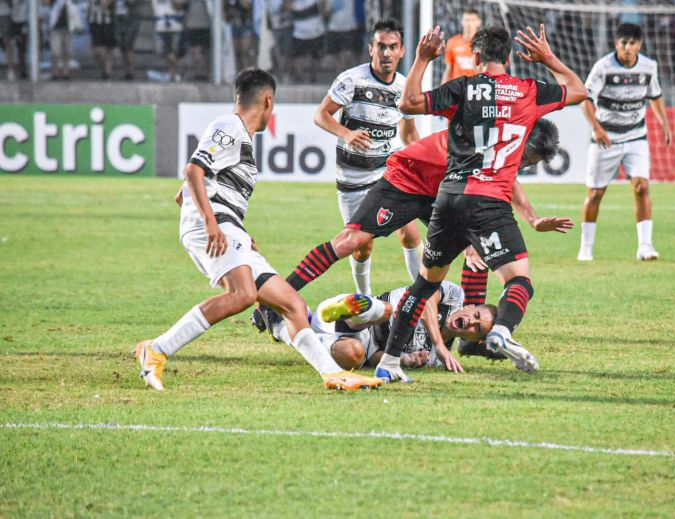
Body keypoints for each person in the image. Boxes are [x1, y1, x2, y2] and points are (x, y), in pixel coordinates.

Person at [136, 68, 383, 392]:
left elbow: (183, 194)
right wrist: (211, 224)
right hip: (214, 226)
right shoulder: (229, 127)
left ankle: (332, 373)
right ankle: (156, 349)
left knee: (292, 304)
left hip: (226, 227)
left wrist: (233, 229)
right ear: (268, 101)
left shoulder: (240, 139)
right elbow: (192, 170)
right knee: (243, 295)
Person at [373, 24, 586, 383]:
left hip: (448, 197)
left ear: (474, 57)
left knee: (425, 285)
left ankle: (389, 363)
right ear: (508, 58)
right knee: (519, 281)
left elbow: (407, 103)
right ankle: (501, 330)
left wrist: (423, 59)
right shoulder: (528, 91)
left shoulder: (463, 88)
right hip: (490, 202)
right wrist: (547, 57)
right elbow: (580, 90)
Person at [276, 119, 570, 299]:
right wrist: (468, 232)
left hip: (441, 192)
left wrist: (533, 219)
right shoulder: (480, 138)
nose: (522, 165)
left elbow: (508, 182)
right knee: (350, 242)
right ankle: (278, 298)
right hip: (405, 181)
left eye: (529, 164)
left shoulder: (506, 150)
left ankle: (469, 331)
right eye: (527, 158)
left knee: (479, 246)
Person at [307, 18, 420, 296]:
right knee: (362, 245)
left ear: (402, 51)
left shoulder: (405, 88)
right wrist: (345, 133)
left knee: (411, 232)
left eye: (393, 47)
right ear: (371, 49)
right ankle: (365, 299)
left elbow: (408, 135)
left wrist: (426, 161)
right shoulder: (351, 80)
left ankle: (422, 297)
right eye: (381, 46)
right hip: (353, 179)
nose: (386, 53)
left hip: (388, 174)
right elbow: (320, 115)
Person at [577, 23, 672, 262]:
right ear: (616, 44)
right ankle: (586, 248)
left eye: (632, 43)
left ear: (639, 44)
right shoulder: (603, 67)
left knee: (642, 187)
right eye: (623, 43)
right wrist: (597, 129)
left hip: (636, 136)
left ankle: (645, 246)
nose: (627, 48)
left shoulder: (649, 67)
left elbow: (655, 97)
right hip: (605, 138)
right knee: (596, 193)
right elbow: (585, 100)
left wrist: (664, 124)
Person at [260, 281, 496, 374]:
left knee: (354, 354)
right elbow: (424, 299)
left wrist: (405, 360)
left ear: (473, 339)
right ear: (471, 305)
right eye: (476, 315)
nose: (472, 321)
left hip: (358, 342)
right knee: (387, 311)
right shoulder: (454, 296)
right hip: (363, 316)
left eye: (477, 328)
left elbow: (375, 358)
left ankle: (283, 327)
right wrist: (439, 344)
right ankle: (335, 310)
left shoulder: (434, 359)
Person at [441, 7, 481, 84]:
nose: (469, 24)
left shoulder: (485, 44)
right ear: (462, 22)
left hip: (476, 88)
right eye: (466, 20)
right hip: (457, 89)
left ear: (478, 22)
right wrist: (442, 89)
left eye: (472, 20)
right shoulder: (452, 42)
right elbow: (449, 68)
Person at [290, 0, 327, 82]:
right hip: (299, 33)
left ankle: (314, 77)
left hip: (317, 31)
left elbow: (324, 9)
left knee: (316, 56)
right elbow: (286, 7)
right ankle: (299, 78)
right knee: (297, 57)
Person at [153, 0, 186, 81]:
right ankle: (179, 68)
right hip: (160, 26)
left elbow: (179, 6)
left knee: (173, 52)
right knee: (162, 51)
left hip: (174, 26)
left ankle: (173, 74)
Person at [183, 0, 211, 81]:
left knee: (204, 51)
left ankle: (204, 72)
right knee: (195, 51)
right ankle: (199, 72)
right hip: (193, 24)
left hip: (207, 23)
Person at [46, 0, 73, 80]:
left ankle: (66, 72)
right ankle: (55, 72)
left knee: (67, 51)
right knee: (55, 51)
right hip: (55, 27)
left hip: (68, 27)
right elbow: (45, 2)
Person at [114, 0, 141, 80]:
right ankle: (127, 71)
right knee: (122, 47)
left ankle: (131, 71)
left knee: (128, 45)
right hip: (118, 17)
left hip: (131, 18)